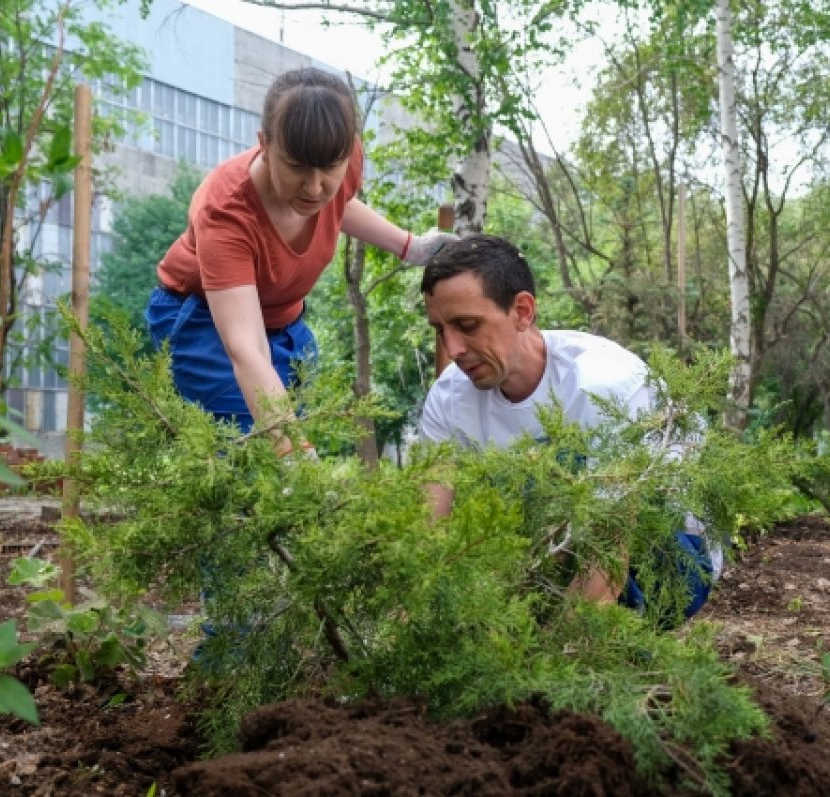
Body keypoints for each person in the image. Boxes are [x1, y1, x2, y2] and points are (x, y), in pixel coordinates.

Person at [417, 234, 720, 625]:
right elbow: (426, 526)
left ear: (522, 311)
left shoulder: (605, 386)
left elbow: (608, 551)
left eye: (467, 325)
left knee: (559, 466)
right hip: (546, 552)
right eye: (440, 329)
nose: (453, 348)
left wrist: (552, 663)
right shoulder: (448, 396)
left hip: (668, 557)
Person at [147, 67, 456, 446]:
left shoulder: (341, 156)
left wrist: (411, 247)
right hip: (202, 319)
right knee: (254, 443)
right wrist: (290, 451)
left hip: (285, 322)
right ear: (264, 143)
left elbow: (338, 204)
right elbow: (246, 346)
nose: (314, 187)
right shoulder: (226, 212)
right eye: (296, 168)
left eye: (330, 168)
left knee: (290, 428)